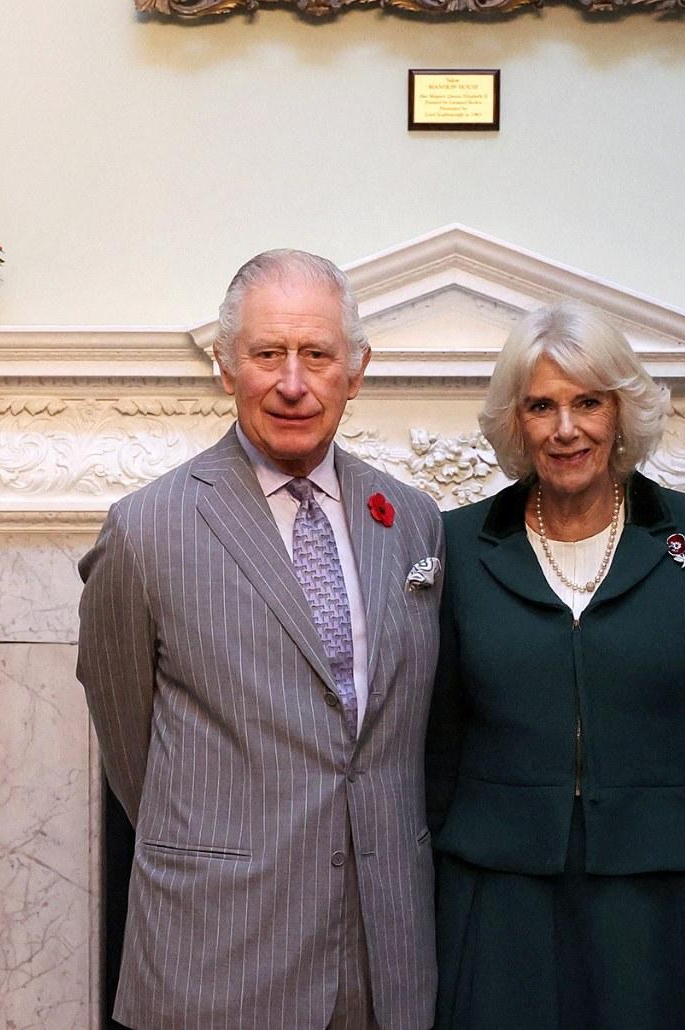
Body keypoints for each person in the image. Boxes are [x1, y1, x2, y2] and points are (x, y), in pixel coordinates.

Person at [77, 249, 443, 1030]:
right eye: (267, 353)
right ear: (223, 365)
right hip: (219, 957)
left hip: (385, 958)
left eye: (317, 354)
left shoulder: (412, 519)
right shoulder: (148, 530)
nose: (292, 382)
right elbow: (127, 739)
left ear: (357, 370)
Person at [425, 301, 685, 1030]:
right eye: (541, 406)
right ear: (515, 422)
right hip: (498, 891)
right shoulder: (459, 543)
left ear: (621, 413)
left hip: (655, 894)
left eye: (588, 402)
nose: (565, 428)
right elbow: (436, 747)